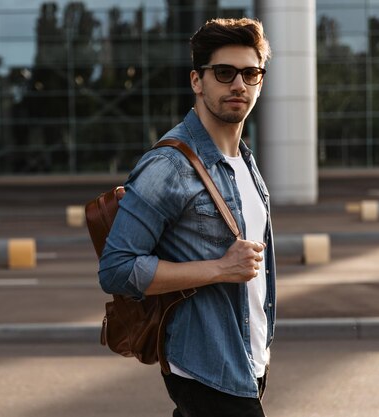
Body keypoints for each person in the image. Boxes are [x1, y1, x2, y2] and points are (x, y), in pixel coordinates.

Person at [98, 17, 275, 417]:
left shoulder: (244, 162)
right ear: (198, 81)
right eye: (224, 73)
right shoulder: (168, 166)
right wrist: (218, 268)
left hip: (249, 359)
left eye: (251, 73)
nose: (238, 85)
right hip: (205, 366)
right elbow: (116, 269)